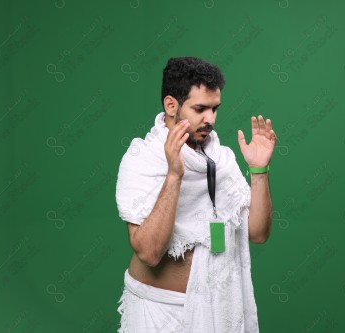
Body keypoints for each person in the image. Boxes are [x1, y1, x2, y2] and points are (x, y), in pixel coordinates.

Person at [115, 56, 276, 332]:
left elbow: (258, 233)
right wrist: (175, 174)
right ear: (171, 105)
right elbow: (149, 253)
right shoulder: (142, 157)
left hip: (217, 309)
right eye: (200, 109)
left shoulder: (221, 159)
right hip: (157, 312)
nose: (210, 119)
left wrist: (259, 170)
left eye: (215, 109)